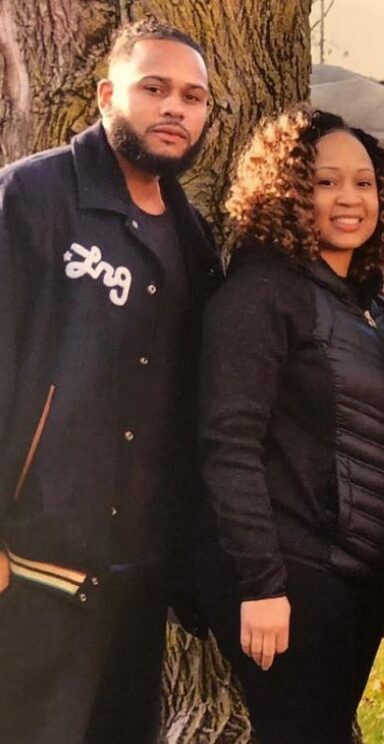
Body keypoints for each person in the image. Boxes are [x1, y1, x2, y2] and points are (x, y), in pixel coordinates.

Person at [0, 19, 217, 744]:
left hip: (139, 576)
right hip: (32, 567)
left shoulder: (191, 238)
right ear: (106, 96)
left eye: (192, 96)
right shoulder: (31, 198)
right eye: (154, 88)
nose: (174, 108)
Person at [195, 106, 384, 744]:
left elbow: (381, 440)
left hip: (355, 578)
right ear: (288, 192)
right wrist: (261, 586)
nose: (350, 198)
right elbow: (227, 446)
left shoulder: (370, 300)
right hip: (289, 576)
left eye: (364, 182)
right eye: (325, 182)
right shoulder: (261, 295)